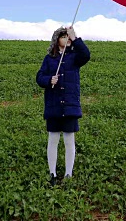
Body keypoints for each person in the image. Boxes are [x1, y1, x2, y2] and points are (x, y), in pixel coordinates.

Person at [36, 25, 90, 186]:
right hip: (53, 105)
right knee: (53, 139)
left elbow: (86, 55)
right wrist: (48, 80)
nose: (67, 39)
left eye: (68, 37)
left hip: (70, 105)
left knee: (69, 140)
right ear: (57, 39)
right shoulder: (49, 59)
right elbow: (39, 77)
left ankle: (68, 174)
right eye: (64, 36)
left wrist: (76, 38)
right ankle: (52, 173)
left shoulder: (75, 57)